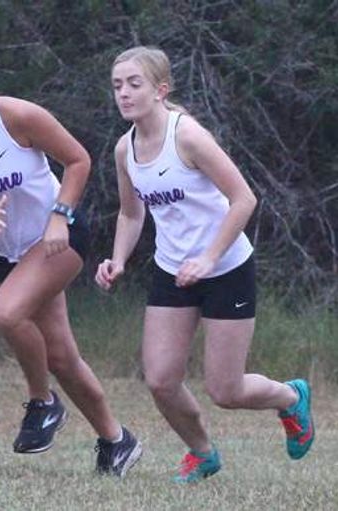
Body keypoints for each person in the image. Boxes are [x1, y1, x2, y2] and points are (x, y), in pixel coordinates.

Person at [0, 48, 142, 476]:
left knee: (6, 311)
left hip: (59, 239)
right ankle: (116, 441)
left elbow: (78, 160)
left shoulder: (18, 117)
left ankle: (43, 402)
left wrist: (61, 216)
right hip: (10, 253)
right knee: (60, 355)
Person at [97, 46, 313, 482]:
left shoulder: (188, 136)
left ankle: (290, 398)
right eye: (118, 85)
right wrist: (117, 259)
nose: (123, 93)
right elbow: (131, 213)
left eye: (134, 84)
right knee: (159, 379)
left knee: (225, 390)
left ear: (161, 90)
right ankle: (202, 453)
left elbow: (244, 199)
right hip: (172, 270)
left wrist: (209, 257)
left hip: (227, 267)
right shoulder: (125, 149)